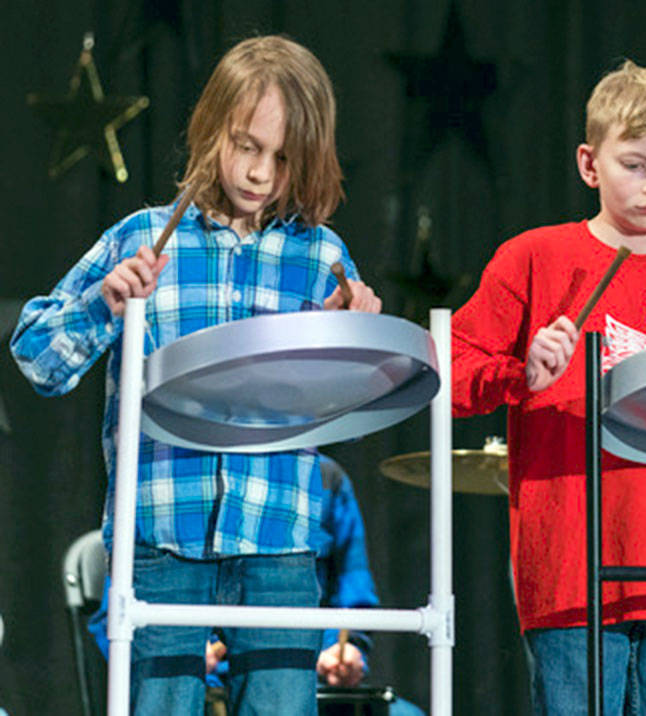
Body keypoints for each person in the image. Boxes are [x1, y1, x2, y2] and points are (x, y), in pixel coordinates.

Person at [10, 35, 380, 714]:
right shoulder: (143, 237)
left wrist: (352, 341)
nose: (260, 173)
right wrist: (104, 303)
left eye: (283, 159)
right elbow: (37, 358)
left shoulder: (321, 256)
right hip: (163, 535)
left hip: (278, 538)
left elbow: (351, 416)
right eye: (246, 146)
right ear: (212, 129)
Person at [451, 60, 646, 714]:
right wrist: (519, 374)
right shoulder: (535, 257)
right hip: (572, 564)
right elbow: (448, 372)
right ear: (590, 164)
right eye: (635, 165)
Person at [86, 456, 425, 716]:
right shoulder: (152, 485)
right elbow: (113, 618)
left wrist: (344, 650)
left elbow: (354, 592)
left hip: (300, 665)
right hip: (204, 677)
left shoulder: (325, 478)